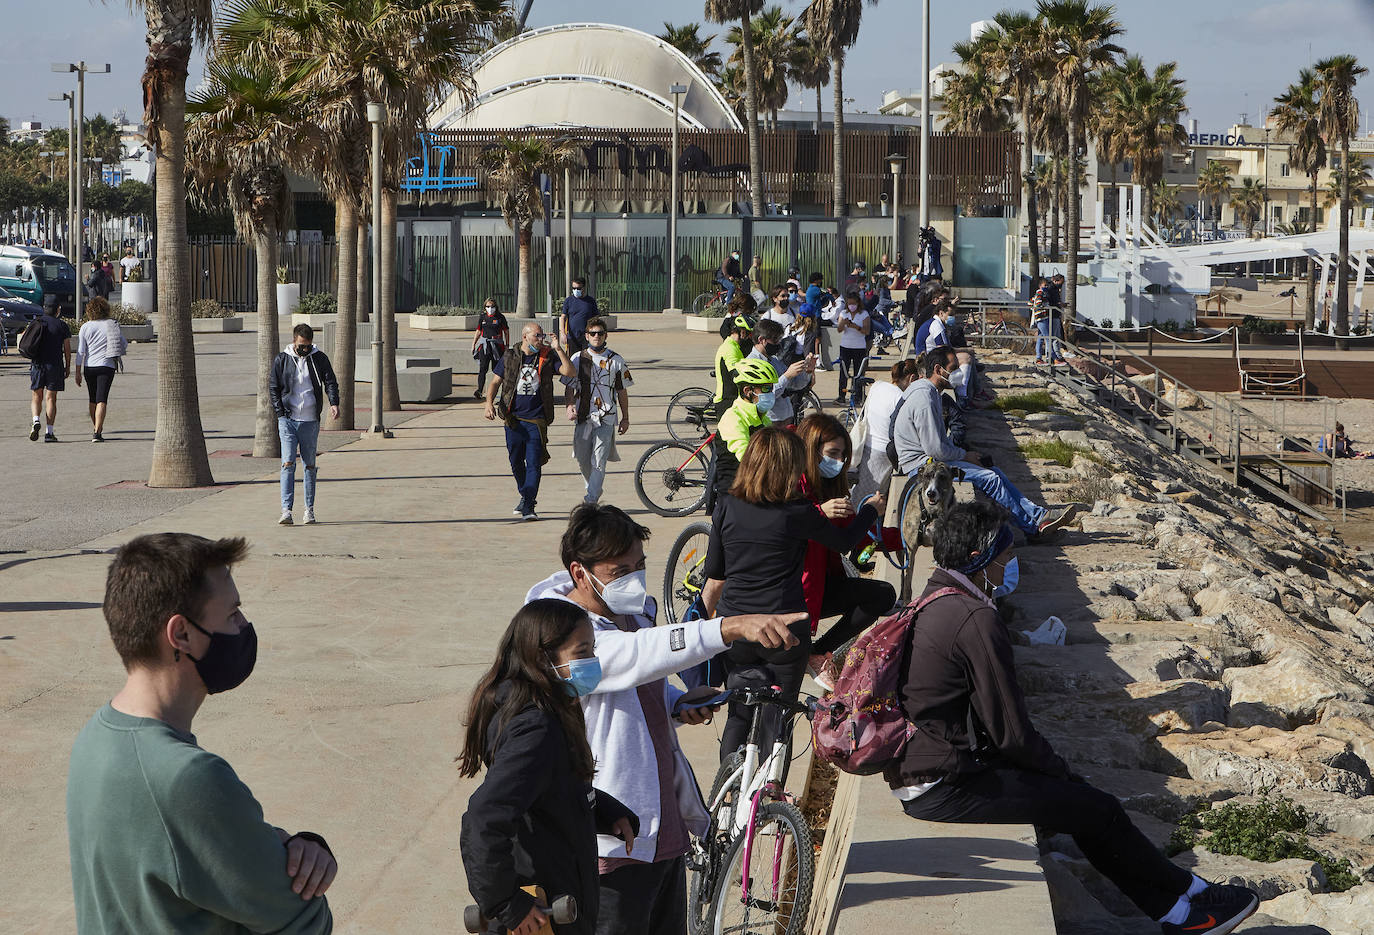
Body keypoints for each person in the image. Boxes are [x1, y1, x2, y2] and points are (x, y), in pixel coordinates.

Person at [891, 502, 1260, 935]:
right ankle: (1183, 916)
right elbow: (1011, 732)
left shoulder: (935, 599)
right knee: (1095, 807)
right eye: (1007, 557)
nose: (1013, 564)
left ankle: (1190, 891)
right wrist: (1060, 772)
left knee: (1085, 804)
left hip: (928, 770)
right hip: (943, 787)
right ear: (982, 560)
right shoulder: (974, 618)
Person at [526, 505, 805, 935]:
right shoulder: (564, 636)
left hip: (660, 823)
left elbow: (638, 684)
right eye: (620, 569)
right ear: (580, 573)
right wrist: (730, 628)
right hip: (610, 838)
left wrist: (677, 702)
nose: (633, 578)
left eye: (639, 565)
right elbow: (635, 656)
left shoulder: (634, 613)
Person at [67, 533, 337, 933]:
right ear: (181, 635)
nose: (244, 626)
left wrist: (268, 844)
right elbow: (305, 922)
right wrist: (295, 860)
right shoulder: (187, 777)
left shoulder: (95, 737)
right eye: (232, 614)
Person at [459, 599, 639, 935]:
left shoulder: (546, 710)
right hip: (542, 916)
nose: (593, 662)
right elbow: (483, 817)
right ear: (544, 659)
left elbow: (546, 787)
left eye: (593, 650)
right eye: (582, 652)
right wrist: (507, 904)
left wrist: (601, 808)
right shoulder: (537, 728)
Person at [702, 427, 884, 759]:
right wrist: (870, 509)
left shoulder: (726, 505)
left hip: (735, 629)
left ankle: (726, 799)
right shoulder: (797, 512)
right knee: (778, 718)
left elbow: (714, 579)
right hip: (785, 630)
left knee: (738, 716)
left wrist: (700, 629)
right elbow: (844, 543)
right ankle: (770, 799)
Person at [892, 348, 1080, 537]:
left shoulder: (930, 393)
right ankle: (1033, 530)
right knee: (991, 479)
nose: (958, 372)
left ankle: (1039, 516)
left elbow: (939, 446)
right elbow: (936, 449)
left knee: (994, 471)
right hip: (921, 470)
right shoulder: (924, 399)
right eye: (954, 368)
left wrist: (966, 456)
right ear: (939, 369)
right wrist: (965, 456)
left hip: (933, 463)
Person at [795, 414, 898, 683]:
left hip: (819, 584)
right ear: (811, 449)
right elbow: (841, 540)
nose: (839, 462)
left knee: (882, 594)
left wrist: (904, 538)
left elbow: (857, 534)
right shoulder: (795, 484)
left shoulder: (828, 488)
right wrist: (822, 513)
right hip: (793, 593)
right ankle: (807, 655)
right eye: (833, 453)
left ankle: (817, 653)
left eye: (843, 455)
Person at [485, 322, 575, 521]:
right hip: (513, 418)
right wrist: (489, 403)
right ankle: (525, 496)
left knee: (534, 463)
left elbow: (570, 372)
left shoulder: (547, 356)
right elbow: (494, 382)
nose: (540, 339)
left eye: (542, 335)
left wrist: (558, 349)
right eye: (537, 335)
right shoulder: (510, 356)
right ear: (525, 336)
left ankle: (529, 505)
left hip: (536, 419)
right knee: (516, 462)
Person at [269, 324, 340, 526]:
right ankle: (286, 510)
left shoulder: (319, 358)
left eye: (307, 345)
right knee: (288, 463)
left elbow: (330, 381)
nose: (304, 349)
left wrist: (334, 403)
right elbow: (273, 386)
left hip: (310, 420)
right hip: (288, 420)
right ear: (294, 341)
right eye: (301, 345)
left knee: (309, 466)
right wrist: (280, 412)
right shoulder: (282, 359)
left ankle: (309, 510)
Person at [564, 317, 633, 504]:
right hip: (584, 416)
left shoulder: (616, 360)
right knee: (582, 457)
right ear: (587, 336)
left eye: (600, 333)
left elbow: (622, 391)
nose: (596, 337)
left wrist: (625, 418)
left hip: (606, 418)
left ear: (606, 335)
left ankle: (591, 500)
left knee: (599, 460)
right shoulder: (577, 359)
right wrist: (569, 405)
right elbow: (569, 386)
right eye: (592, 333)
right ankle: (593, 488)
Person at [852, 358, 919, 505]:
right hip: (883, 454)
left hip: (866, 447)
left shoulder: (878, 386)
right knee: (873, 501)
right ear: (912, 378)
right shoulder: (901, 398)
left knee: (859, 495)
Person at [712, 356, 778, 499]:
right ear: (748, 390)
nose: (771, 393)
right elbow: (747, 457)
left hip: (757, 486)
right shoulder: (733, 418)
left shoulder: (764, 419)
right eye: (766, 388)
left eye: (772, 388)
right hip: (733, 493)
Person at [73, 296, 126, 442]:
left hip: (89, 366)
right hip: (106, 365)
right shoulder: (112, 324)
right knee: (102, 398)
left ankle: (96, 427)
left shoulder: (85, 327)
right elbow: (123, 343)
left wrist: (77, 372)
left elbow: (81, 351)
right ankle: (97, 431)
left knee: (92, 398)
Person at [745, 318, 812, 427]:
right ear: (762, 340)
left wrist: (807, 370)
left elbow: (796, 384)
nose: (778, 344)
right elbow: (764, 396)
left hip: (786, 419)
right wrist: (786, 376)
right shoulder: (752, 363)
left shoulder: (774, 360)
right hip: (770, 422)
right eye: (775, 340)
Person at [27, 297, 71, 442]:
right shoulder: (62, 325)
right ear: (58, 309)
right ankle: (49, 433)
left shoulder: (37, 323)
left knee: (36, 395)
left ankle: (35, 420)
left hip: (38, 365)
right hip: (54, 365)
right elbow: (67, 349)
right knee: (51, 398)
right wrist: (68, 367)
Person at [835, 290, 872, 405]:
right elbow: (839, 329)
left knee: (858, 373)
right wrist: (844, 323)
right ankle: (841, 396)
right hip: (845, 346)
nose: (851, 306)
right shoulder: (843, 313)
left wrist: (856, 327)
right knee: (843, 372)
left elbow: (866, 331)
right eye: (849, 303)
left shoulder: (864, 314)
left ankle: (858, 396)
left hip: (859, 347)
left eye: (853, 304)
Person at [711, 312, 755, 408]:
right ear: (741, 331)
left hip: (734, 398)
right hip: (727, 400)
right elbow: (735, 373)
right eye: (747, 333)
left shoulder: (736, 347)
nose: (748, 337)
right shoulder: (729, 348)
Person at [471, 297, 510, 399]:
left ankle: (499, 392)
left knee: (497, 369)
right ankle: (479, 390)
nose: (490, 308)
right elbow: (478, 331)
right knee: (483, 368)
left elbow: (506, 331)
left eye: (492, 306)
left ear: (496, 307)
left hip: (497, 346)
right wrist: (474, 344)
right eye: (488, 306)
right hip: (485, 345)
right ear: (485, 307)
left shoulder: (500, 317)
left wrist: (506, 345)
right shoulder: (483, 317)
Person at [560, 277, 597, 355]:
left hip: (587, 336)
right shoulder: (568, 301)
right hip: (572, 337)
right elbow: (563, 317)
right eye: (574, 288)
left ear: (584, 288)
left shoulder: (591, 301)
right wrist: (562, 333)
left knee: (587, 360)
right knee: (573, 360)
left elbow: (595, 319)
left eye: (578, 288)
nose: (576, 290)